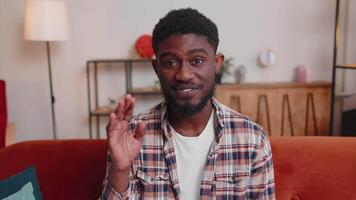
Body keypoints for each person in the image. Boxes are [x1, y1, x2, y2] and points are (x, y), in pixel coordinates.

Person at [102, 8, 275, 200]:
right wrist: (119, 170)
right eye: (170, 62)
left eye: (197, 60)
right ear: (156, 67)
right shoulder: (132, 136)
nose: (184, 75)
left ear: (217, 63)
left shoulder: (252, 139)